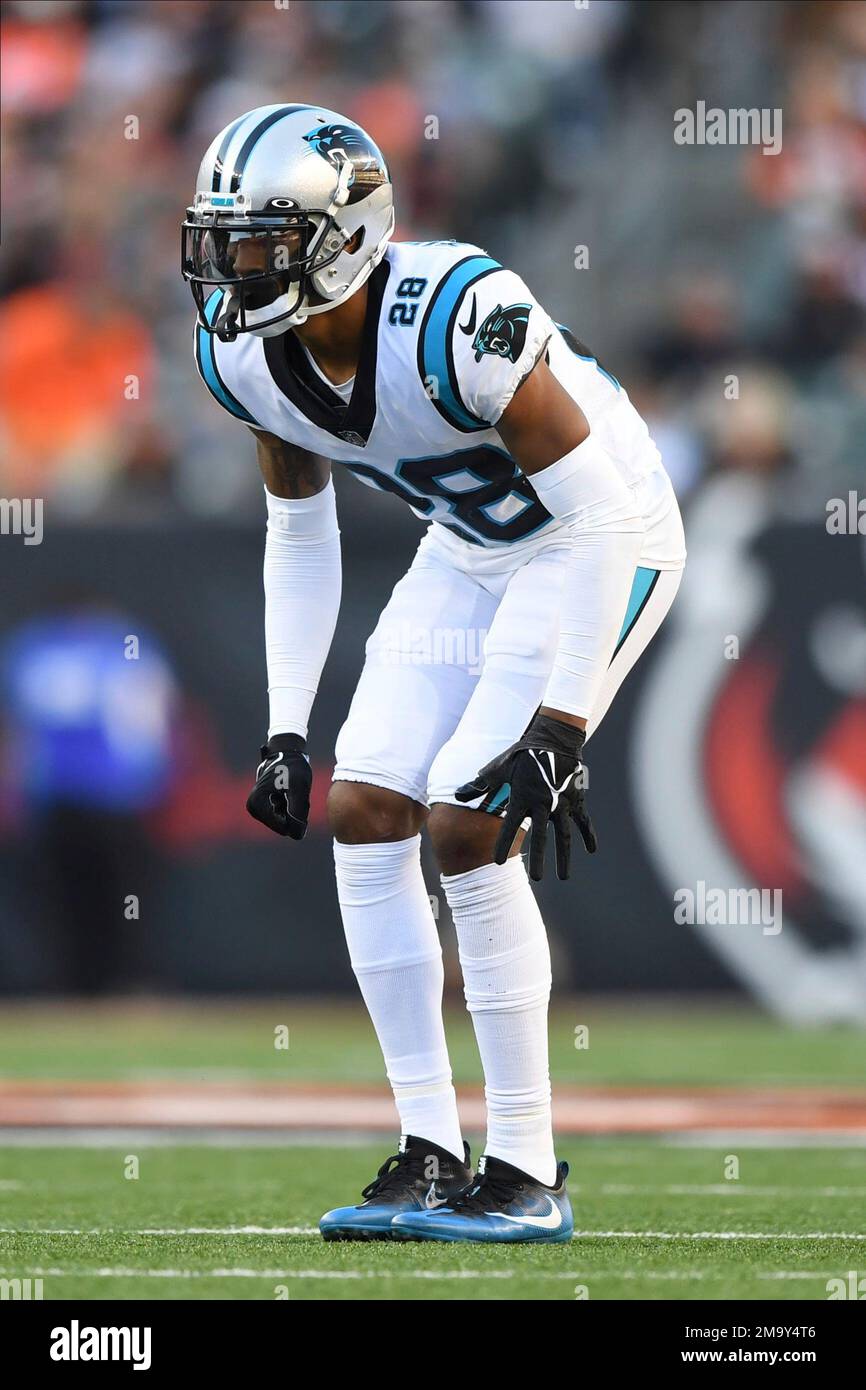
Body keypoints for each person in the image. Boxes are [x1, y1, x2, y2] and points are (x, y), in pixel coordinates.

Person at [182, 104, 686, 1244]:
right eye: (220, 240)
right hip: (467, 548)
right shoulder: (243, 361)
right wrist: (283, 725)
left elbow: (598, 512)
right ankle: (425, 1146)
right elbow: (298, 531)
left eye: (259, 242)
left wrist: (561, 722)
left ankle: (521, 1162)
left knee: (466, 819)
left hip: (600, 536)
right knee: (362, 805)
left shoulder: (459, 313)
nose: (228, 270)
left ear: (343, 237)